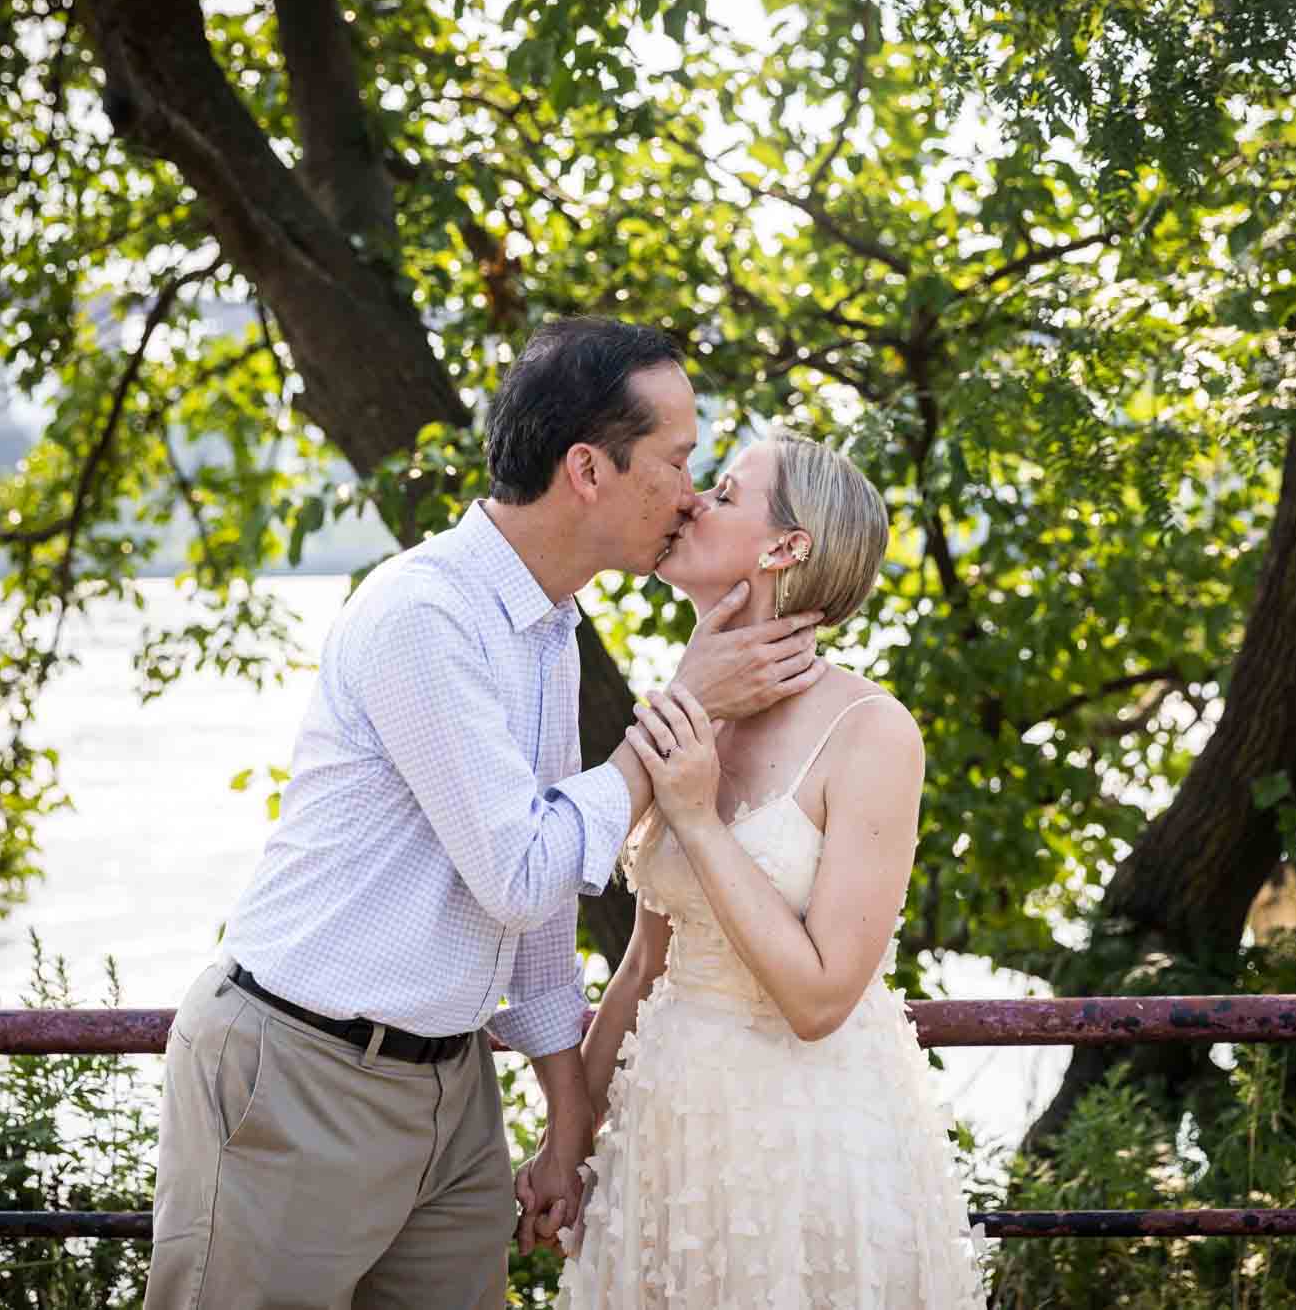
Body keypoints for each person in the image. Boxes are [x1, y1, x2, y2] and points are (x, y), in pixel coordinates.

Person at [143, 317, 829, 1310]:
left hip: (454, 1089)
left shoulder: (549, 623)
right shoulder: (426, 614)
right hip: (297, 1075)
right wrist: (679, 712)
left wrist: (564, 1112)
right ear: (588, 470)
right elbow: (516, 866)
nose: (689, 492)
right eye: (678, 461)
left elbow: (536, 908)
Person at [548, 430, 989, 1308]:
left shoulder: (872, 730)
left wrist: (697, 817)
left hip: (799, 1147)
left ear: (788, 546)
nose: (692, 502)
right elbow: (643, 962)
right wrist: (570, 1138)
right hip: (665, 1142)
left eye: (723, 490)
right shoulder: (693, 706)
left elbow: (822, 998)